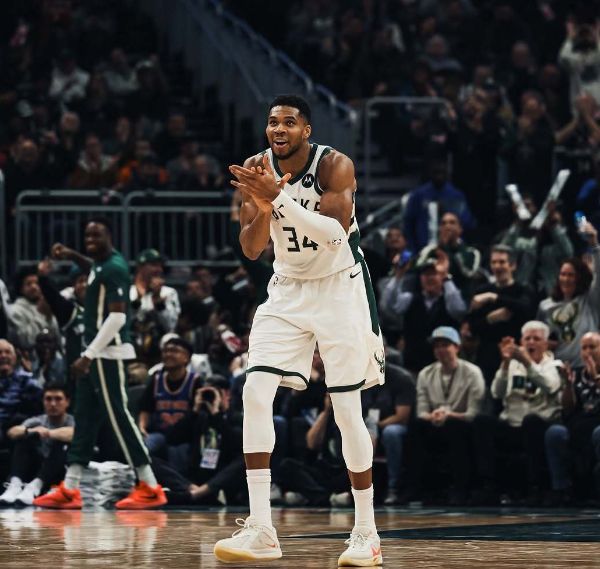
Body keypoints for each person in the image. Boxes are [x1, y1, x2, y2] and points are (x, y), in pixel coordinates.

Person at [214, 95, 385, 566]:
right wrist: (262, 206)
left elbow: (334, 236)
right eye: (273, 122)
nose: (279, 129)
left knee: (346, 410)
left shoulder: (334, 165)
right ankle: (261, 529)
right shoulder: (256, 168)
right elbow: (252, 248)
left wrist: (278, 198)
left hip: (339, 285)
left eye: (289, 122)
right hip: (287, 287)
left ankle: (366, 533)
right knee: (254, 392)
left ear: (306, 130)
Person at [33, 218, 167, 510]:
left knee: (120, 417)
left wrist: (88, 355)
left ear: (110, 237)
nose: (90, 240)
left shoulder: (115, 269)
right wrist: (72, 255)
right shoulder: (100, 265)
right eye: (87, 236)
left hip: (106, 355)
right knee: (84, 420)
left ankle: (150, 485)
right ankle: (70, 488)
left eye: (97, 235)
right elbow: (93, 268)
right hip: (94, 355)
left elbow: (118, 318)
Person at [472, 321, 562, 505]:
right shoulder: (512, 365)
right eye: (527, 338)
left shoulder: (554, 365)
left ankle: (534, 487)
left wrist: (527, 363)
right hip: (511, 425)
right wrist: (505, 363)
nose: (531, 342)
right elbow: (497, 393)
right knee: (482, 421)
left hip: (538, 426)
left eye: (536, 339)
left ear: (546, 344)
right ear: (521, 342)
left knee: (531, 421)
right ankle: (488, 486)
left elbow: (550, 386)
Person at [407, 326, 485, 505]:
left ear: (457, 347)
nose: (440, 350)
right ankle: (417, 488)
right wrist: (434, 416)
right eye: (437, 346)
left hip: (462, 424)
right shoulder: (426, 373)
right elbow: (422, 411)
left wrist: (449, 415)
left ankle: (460, 488)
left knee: (454, 427)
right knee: (416, 427)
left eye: (445, 345)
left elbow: (473, 413)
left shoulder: (472, 372)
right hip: (435, 422)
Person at [537, 222, 600, 367]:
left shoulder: (589, 299)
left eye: (571, 275)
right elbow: (539, 337)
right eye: (563, 274)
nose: (565, 279)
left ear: (580, 278)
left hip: (588, 367)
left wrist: (594, 244)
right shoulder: (545, 305)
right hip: (558, 368)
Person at [0, 383, 74, 506]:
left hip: (60, 472)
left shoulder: (71, 420)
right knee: (23, 438)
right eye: (48, 399)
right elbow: (12, 432)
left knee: (62, 442)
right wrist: (31, 431)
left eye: (58, 399)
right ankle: (15, 484)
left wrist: (48, 433)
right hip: (36, 467)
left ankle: (36, 486)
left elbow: (73, 434)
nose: (53, 404)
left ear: (67, 402)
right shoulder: (38, 420)